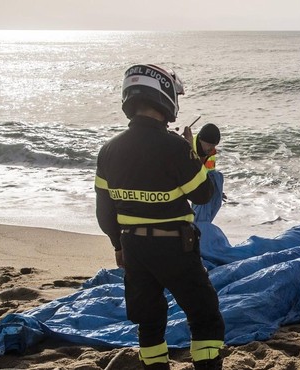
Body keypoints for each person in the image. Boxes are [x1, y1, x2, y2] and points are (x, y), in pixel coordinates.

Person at [95, 64, 225, 370]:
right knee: (204, 317)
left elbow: (104, 212)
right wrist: (192, 153)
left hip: (133, 250)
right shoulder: (176, 148)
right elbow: (204, 194)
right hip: (174, 248)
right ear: (164, 97)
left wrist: (118, 245)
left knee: (149, 323)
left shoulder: (109, 150)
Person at [183, 123, 226, 223]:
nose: (212, 148)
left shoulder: (210, 153)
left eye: (214, 145)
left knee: (217, 177)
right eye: (209, 145)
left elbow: (210, 173)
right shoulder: (187, 147)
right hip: (189, 184)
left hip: (201, 184)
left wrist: (217, 189)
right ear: (201, 140)